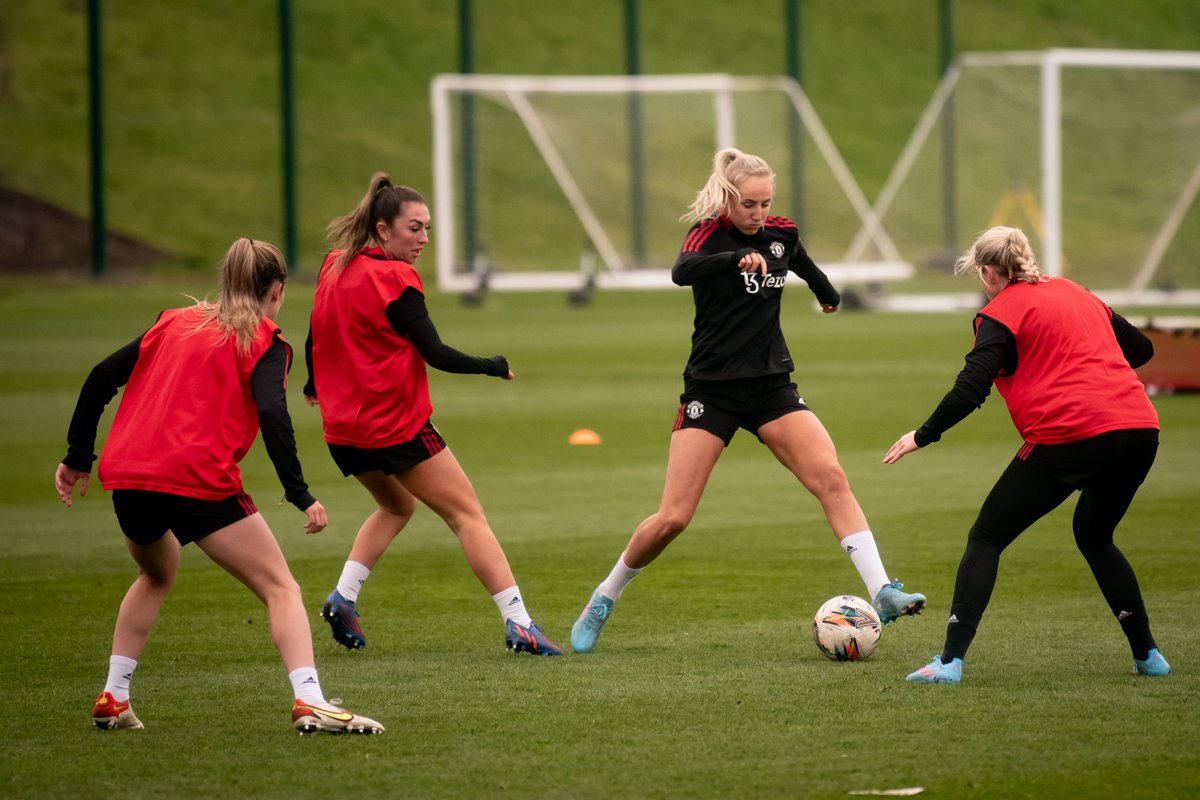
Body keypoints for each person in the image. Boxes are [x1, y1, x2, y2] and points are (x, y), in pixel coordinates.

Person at [569, 148, 926, 654]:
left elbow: (800, 261)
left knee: (831, 477)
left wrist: (828, 292)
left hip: (771, 388)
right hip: (711, 392)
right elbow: (682, 270)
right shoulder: (709, 233)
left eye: (766, 203)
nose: (759, 214)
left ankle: (882, 590)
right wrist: (734, 258)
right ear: (730, 199)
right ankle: (605, 596)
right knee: (673, 517)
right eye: (750, 205)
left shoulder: (781, 231)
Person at [56, 238, 383, 734]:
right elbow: (273, 413)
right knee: (280, 588)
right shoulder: (265, 339)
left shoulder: (172, 321)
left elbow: (101, 377)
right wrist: (299, 492)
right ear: (276, 290)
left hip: (130, 479)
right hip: (197, 479)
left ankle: (114, 697)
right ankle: (310, 699)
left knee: (155, 574)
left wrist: (78, 456)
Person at [884, 226, 1170, 684]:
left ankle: (950, 662)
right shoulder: (1077, 292)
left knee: (987, 536)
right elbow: (1141, 349)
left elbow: (970, 389)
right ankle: (1149, 657)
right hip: (1139, 428)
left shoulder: (1001, 313)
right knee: (1095, 536)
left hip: (1071, 434)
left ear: (988, 271)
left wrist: (924, 434)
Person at [305, 173, 559, 656]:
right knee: (468, 516)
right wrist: (492, 366)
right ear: (383, 230)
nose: (423, 240)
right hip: (394, 427)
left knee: (397, 506)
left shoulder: (333, 266)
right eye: (414, 229)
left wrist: (314, 384)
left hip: (343, 429)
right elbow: (435, 352)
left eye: (427, 229)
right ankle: (519, 623)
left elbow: (314, 334)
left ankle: (343, 597)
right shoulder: (395, 278)